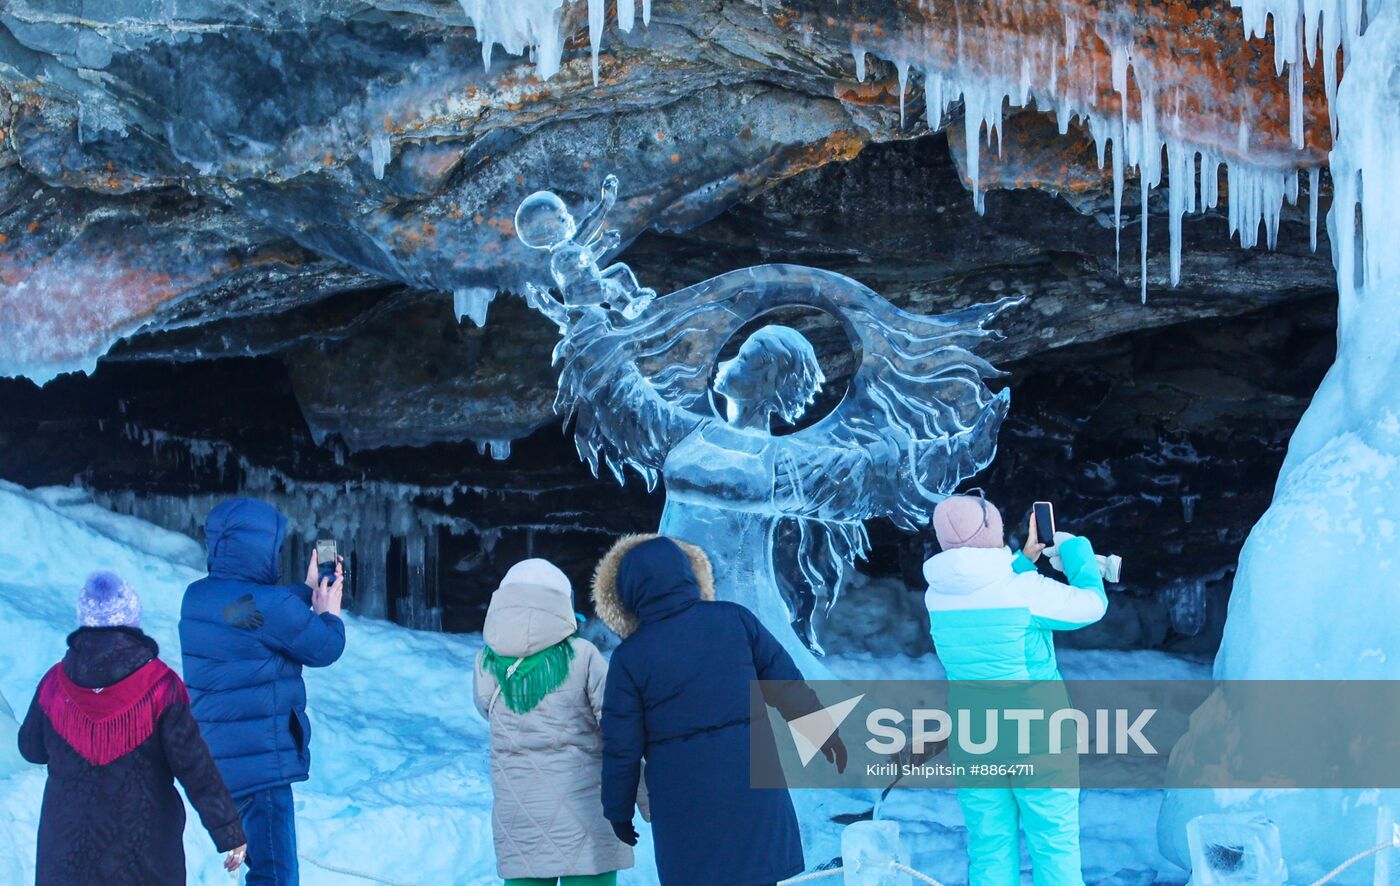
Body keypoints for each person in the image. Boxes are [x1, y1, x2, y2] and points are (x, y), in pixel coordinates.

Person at [592, 534, 846, 886]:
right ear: (688, 574)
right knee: (762, 874)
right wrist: (823, 731)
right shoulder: (735, 620)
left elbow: (622, 747)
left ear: (630, 594)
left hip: (684, 804)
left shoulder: (630, 658)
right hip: (753, 788)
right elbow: (786, 685)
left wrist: (618, 809)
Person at [922, 493, 1108, 886]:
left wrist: (1024, 561)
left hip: (975, 739)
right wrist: (1077, 551)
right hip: (1039, 738)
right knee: (1053, 844)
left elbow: (984, 590)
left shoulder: (936, 594)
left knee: (989, 845)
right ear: (993, 531)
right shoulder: (1025, 591)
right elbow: (1091, 604)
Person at [18, 571, 247, 884]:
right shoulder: (161, 687)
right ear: (132, 619)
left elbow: (31, 749)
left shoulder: (54, 684)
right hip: (144, 855)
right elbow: (195, 767)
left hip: (67, 854)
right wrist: (228, 831)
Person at [179, 498, 347, 885]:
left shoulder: (198, 598)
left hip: (219, 763)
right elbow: (325, 647)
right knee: (275, 876)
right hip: (261, 769)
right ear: (258, 547)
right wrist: (328, 611)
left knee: (261, 873)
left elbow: (251, 614)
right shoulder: (268, 606)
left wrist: (306, 590)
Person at [473, 558, 637, 886]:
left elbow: (484, 709)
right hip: (585, 810)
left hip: (520, 814)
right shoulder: (583, 656)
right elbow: (619, 724)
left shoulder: (486, 661)